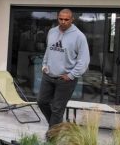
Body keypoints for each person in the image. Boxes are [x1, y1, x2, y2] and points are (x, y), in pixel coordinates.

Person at [38, 8, 90, 137]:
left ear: (72, 19)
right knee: (41, 101)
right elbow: (48, 51)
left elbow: (84, 60)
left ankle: (52, 138)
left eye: (66, 19)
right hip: (48, 76)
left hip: (65, 80)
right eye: (60, 19)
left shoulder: (79, 36)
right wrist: (44, 65)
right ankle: (55, 125)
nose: (63, 21)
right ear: (58, 18)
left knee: (57, 109)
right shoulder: (52, 31)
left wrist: (71, 75)